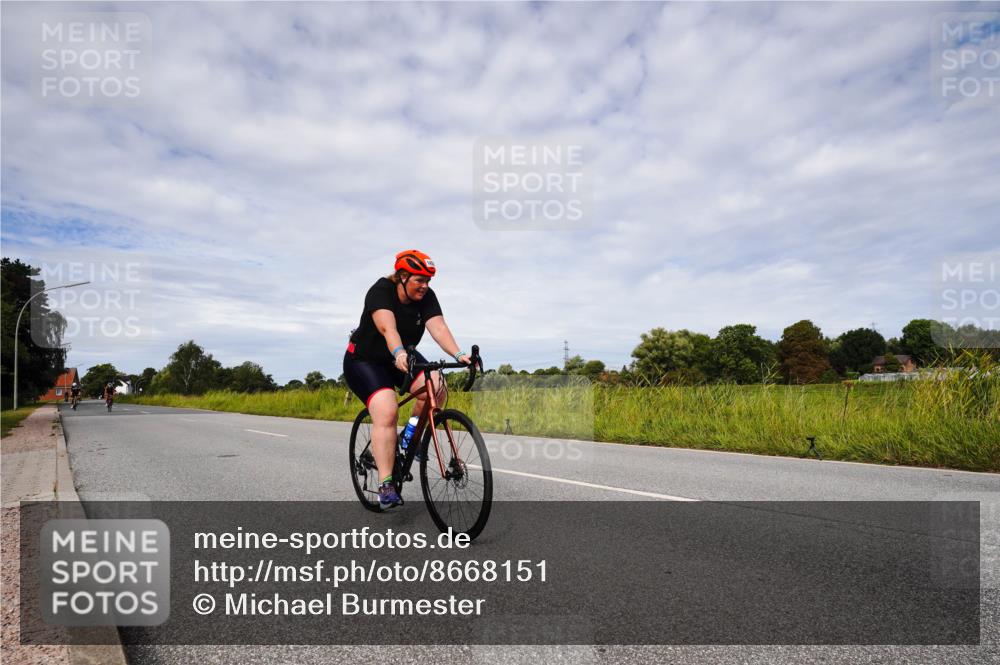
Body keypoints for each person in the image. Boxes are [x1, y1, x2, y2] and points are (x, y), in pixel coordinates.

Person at [343, 250, 470, 509]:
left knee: (436, 385)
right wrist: (398, 352)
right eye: (419, 280)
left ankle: (410, 436)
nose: (425, 286)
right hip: (365, 361)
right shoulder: (381, 291)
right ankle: (386, 484)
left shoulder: (426, 297)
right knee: (387, 410)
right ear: (402, 276)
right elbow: (387, 328)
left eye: (428, 281)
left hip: (402, 358)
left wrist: (459, 354)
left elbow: (439, 328)